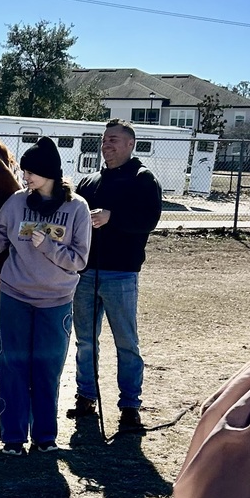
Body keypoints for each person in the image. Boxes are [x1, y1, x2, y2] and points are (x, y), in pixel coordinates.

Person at [0, 136, 90, 456]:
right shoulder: (16, 203)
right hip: (15, 297)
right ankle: (12, 438)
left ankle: (45, 437)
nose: (24, 177)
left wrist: (49, 246)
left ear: (49, 173)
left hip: (56, 303)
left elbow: (79, 260)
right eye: (24, 171)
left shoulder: (76, 208)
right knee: (12, 367)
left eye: (30, 172)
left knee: (47, 370)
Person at [68, 118, 161, 433]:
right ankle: (86, 396)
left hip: (121, 274)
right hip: (84, 274)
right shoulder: (89, 181)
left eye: (114, 140)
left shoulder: (143, 179)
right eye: (104, 140)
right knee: (85, 341)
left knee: (126, 343)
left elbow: (148, 220)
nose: (107, 145)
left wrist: (112, 217)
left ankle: (130, 407)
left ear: (130, 144)